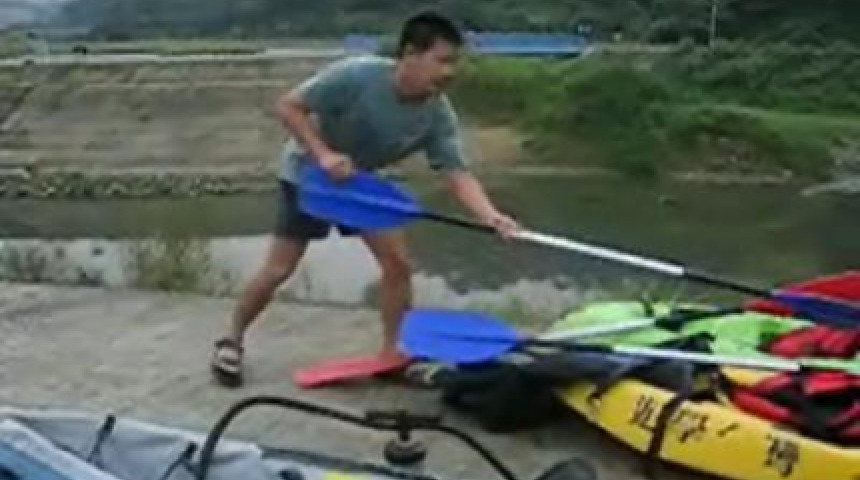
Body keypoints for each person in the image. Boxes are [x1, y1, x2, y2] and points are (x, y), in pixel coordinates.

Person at [211, 11, 520, 388]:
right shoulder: (357, 75)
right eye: (442, 60)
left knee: (398, 265)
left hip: (361, 188)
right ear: (411, 53)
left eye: (454, 62)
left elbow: (457, 173)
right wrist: (324, 154)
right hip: (309, 179)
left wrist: (492, 216)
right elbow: (288, 107)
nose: (450, 72)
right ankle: (231, 341)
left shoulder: (437, 114)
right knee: (279, 269)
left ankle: (394, 355)